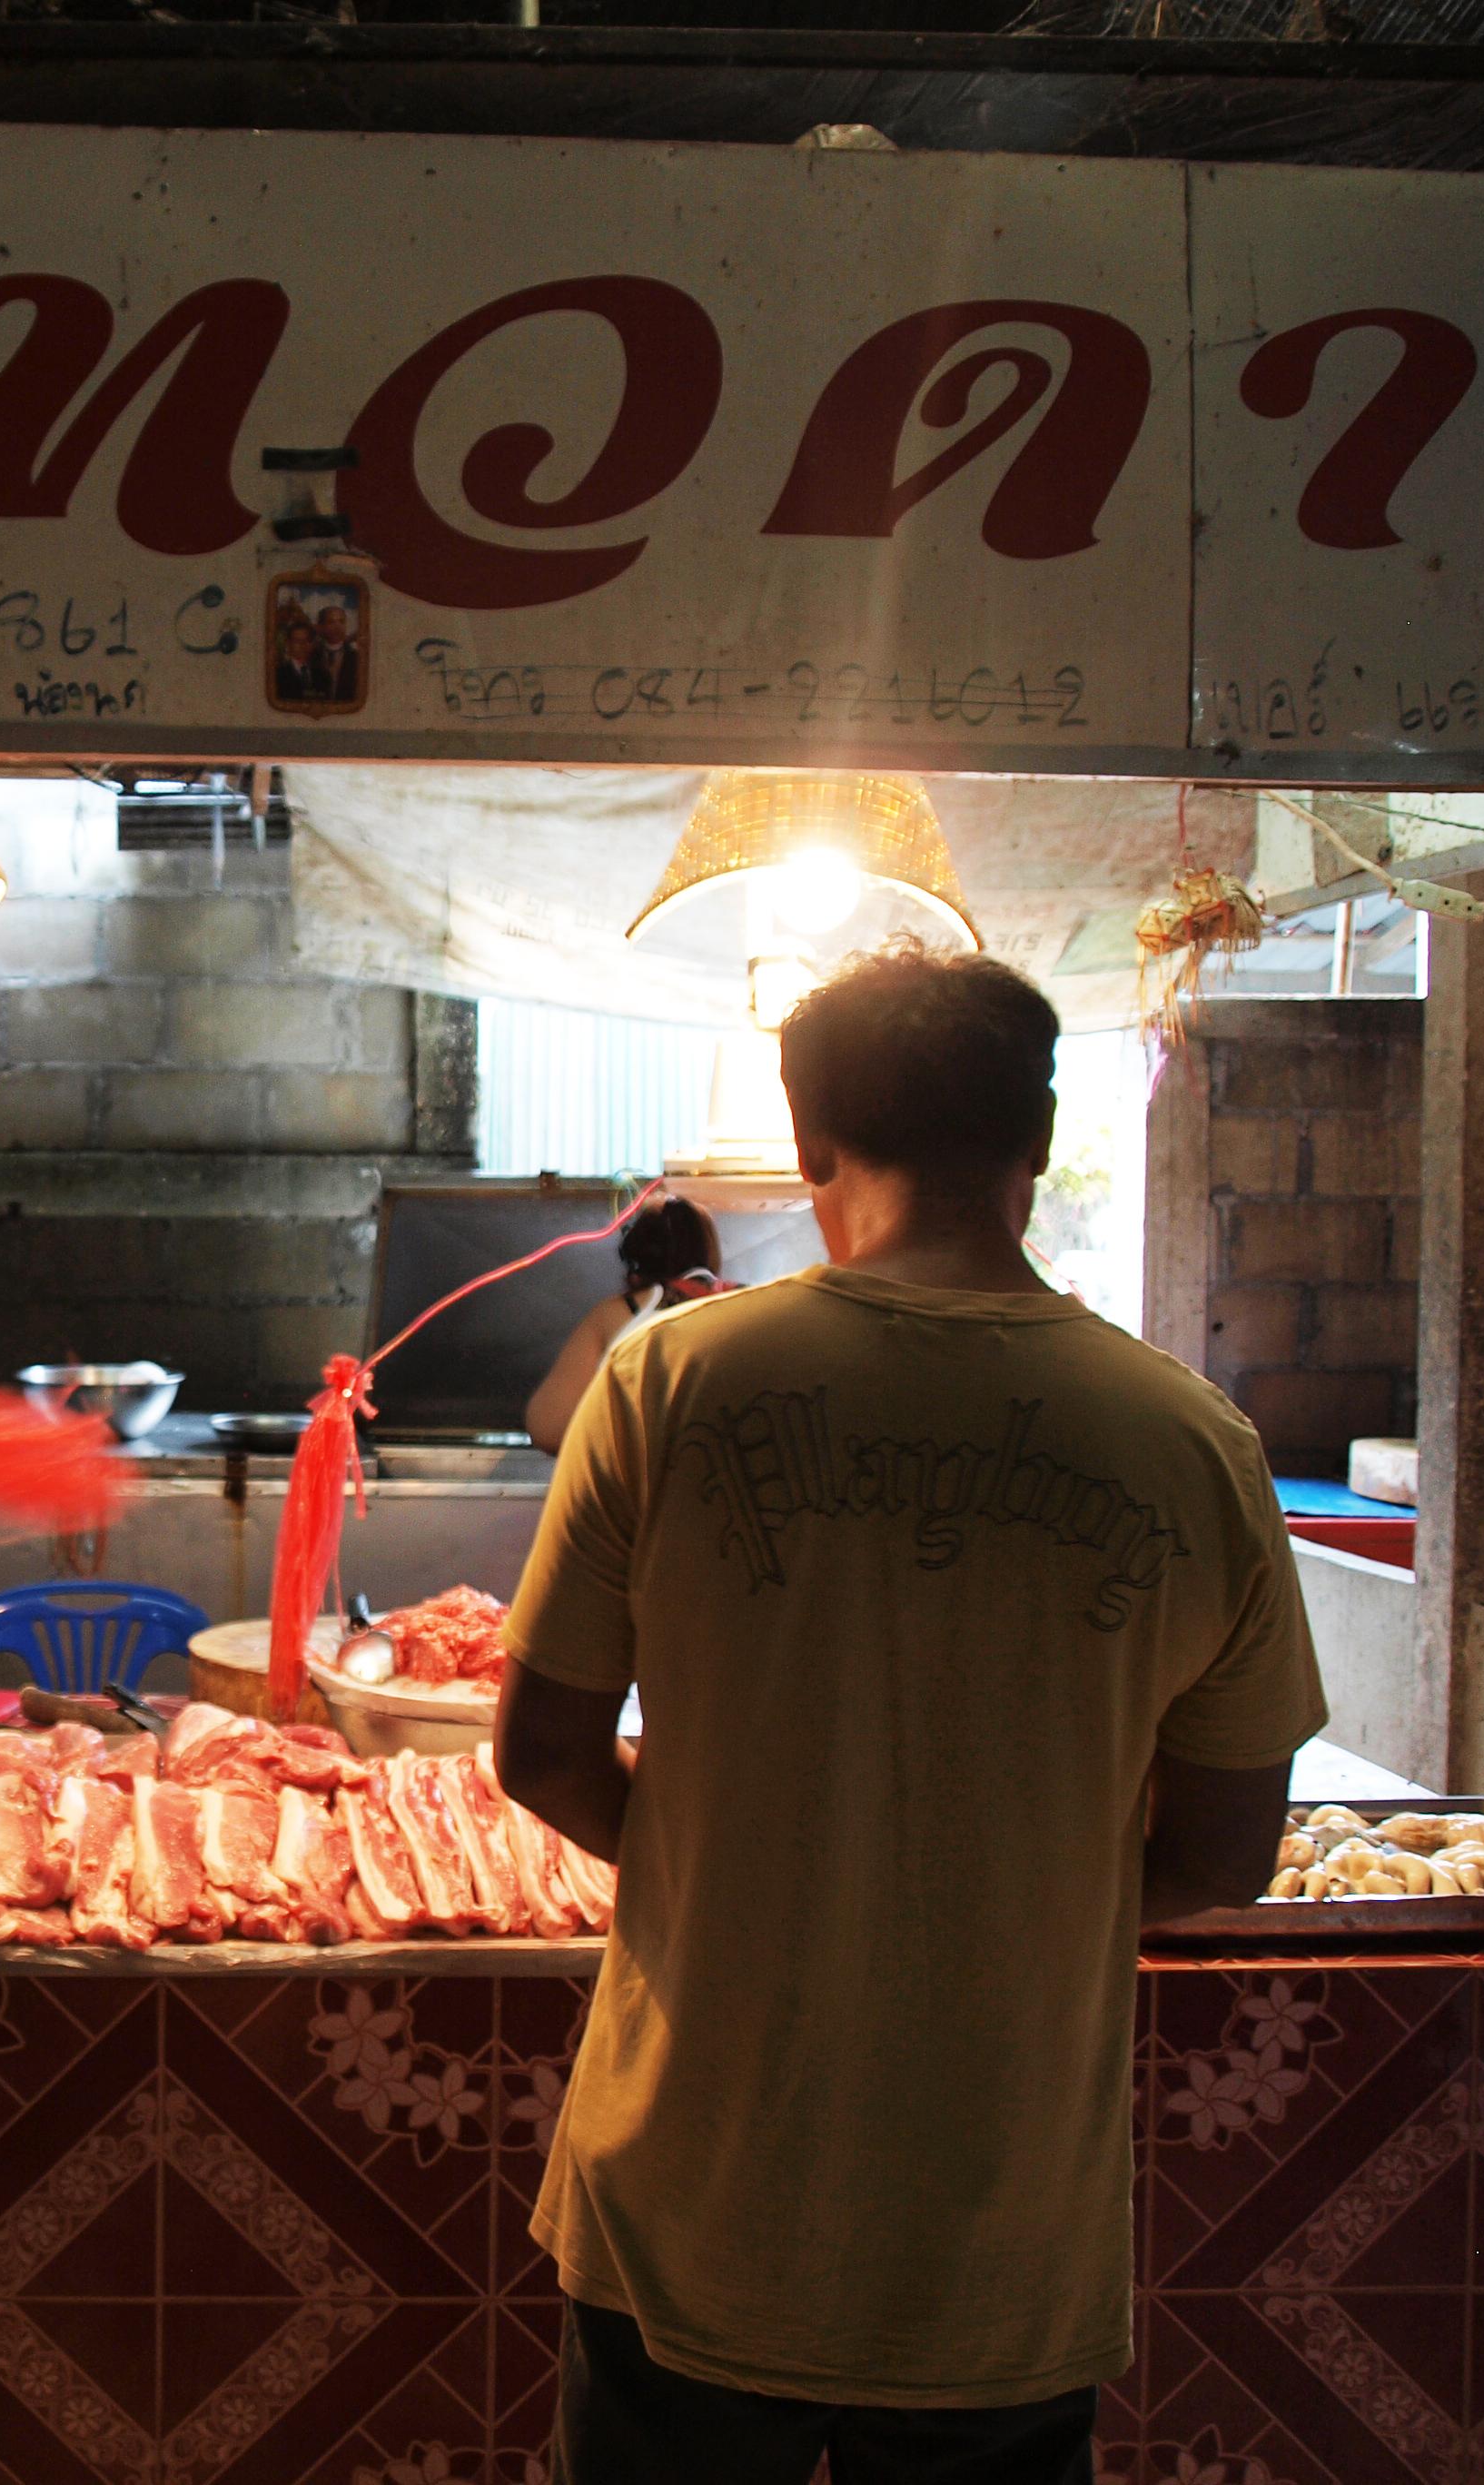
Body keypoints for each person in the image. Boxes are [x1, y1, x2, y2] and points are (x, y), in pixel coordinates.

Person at [493, 945, 1323, 2485]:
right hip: (999, 2230)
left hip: (692, 2195)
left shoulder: (670, 1380)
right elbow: (1224, 1848)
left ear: (805, 1148)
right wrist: (1012, 1902)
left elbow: (537, 1751)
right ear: (1041, 1142)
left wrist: (711, 1873)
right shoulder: (1191, 1441)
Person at [525, 1196, 726, 1454]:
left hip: (635, 1485)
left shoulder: (616, 1315)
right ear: (710, 1251)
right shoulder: (747, 1307)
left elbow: (548, 1427)